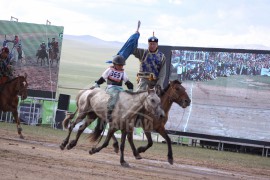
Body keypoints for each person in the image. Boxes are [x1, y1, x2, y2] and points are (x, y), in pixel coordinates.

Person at [91, 55, 134, 122]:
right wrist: (96, 84)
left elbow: (127, 82)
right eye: (119, 65)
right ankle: (109, 113)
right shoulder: (109, 70)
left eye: (122, 65)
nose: (121, 66)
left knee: (126, 96)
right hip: (111, 87)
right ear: (114, 64)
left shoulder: (123, 72)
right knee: (115, 95)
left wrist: (131, 90)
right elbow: (102, 78)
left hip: (119, 88)